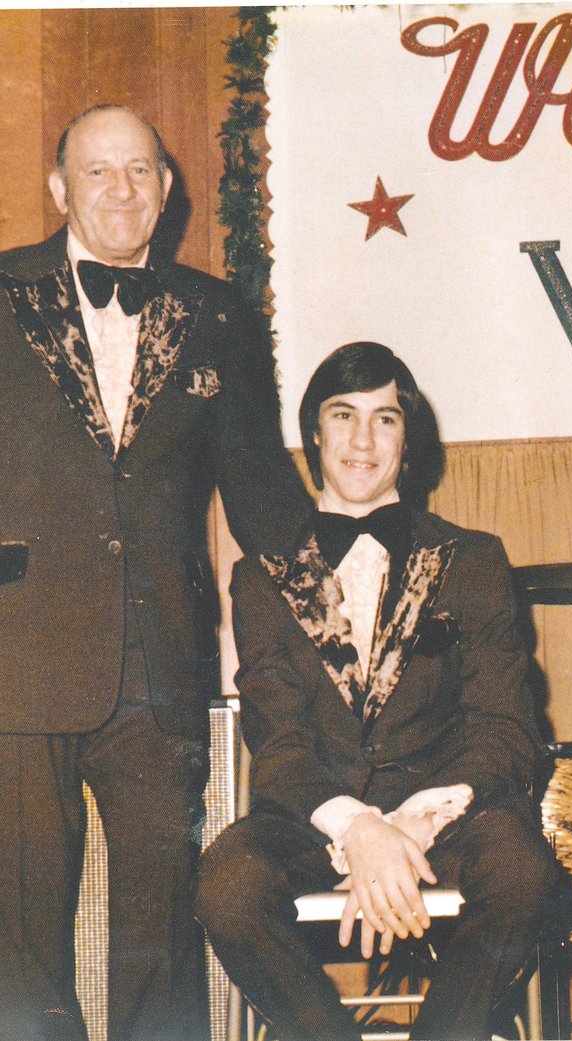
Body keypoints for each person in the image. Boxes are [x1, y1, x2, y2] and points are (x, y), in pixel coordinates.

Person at [0, 104, 309, 1040]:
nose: (121, 190)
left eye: (139, 170)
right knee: (18, 932)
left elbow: (263, 492)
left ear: (167, 189)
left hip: (161, 660)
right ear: (60, 188)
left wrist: (344, 604)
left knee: (162, 929)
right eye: (97, 172)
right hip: (20, 658)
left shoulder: (216, 315)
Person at [196, 341, 558, 1040]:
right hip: (317, 821)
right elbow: (278, 741)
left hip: (446, 818)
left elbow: (505, 728)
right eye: (343, 415)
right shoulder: (262, 575)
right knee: (227, 885)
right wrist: (360, 831)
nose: (362, 441)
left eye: (384, 419)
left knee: (523, 873)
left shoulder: (473, 560)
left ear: (407, 438)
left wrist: (410, 825)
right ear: (314, 432)